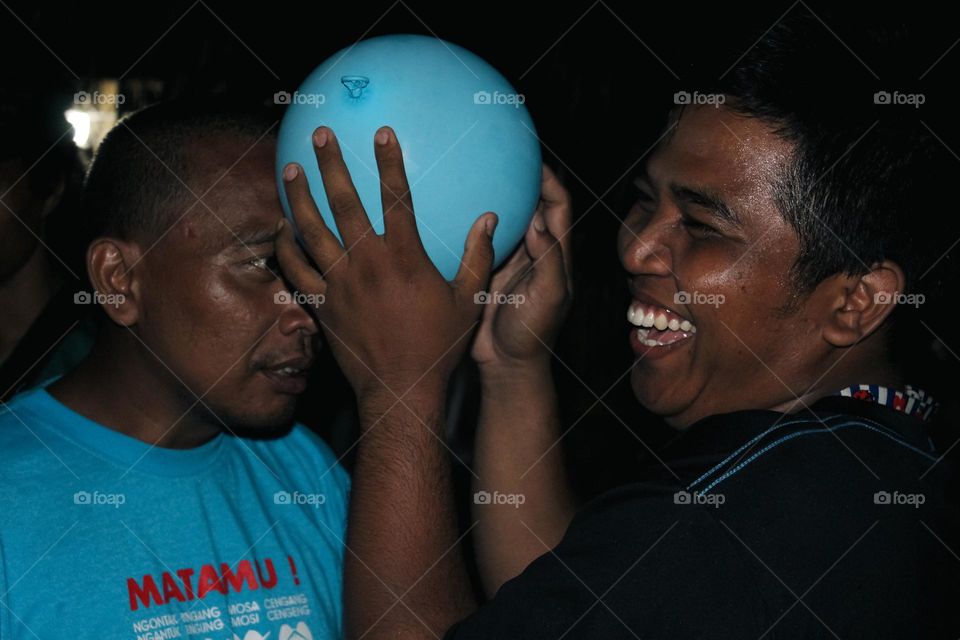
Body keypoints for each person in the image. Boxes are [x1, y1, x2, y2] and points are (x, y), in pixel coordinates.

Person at [275, 12, 959, 639]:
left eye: (699, 224)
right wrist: (513, 369)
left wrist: (400, 389)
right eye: (643, 200)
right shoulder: (866, 465)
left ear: (857, 303)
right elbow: (571, 603)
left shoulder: (779, 512)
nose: (635, 250)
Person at [0, 101, 349, 640]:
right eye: (262, 265)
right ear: (119, 279)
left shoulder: (306, 472)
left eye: (312, 267)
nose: (307, 309)